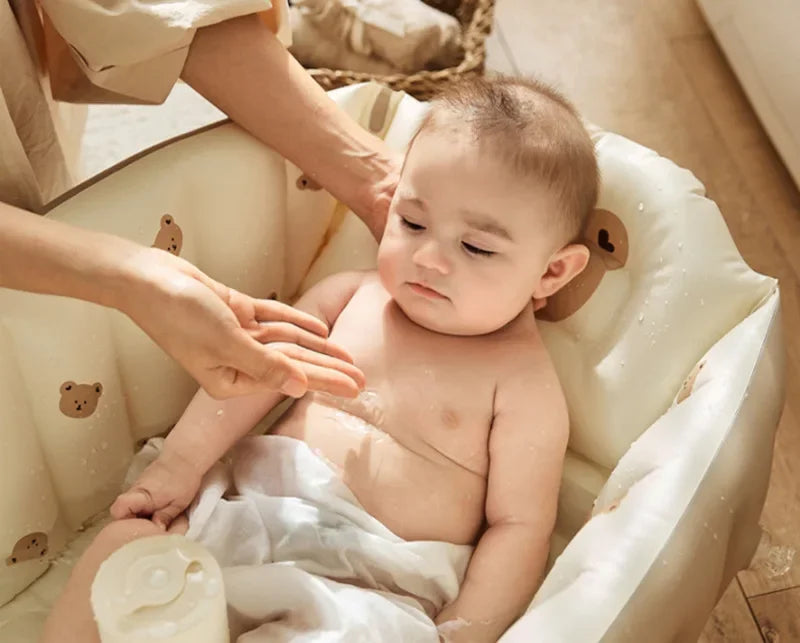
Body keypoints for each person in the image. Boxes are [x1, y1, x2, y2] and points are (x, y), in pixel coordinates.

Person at [43, 75, 598, 643]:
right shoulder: (349, 296)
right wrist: (181, 463)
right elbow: (248, 375)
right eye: (412, 222)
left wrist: (463, 630)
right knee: (123, 552)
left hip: (371, 588)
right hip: (244, 520)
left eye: (476, 247)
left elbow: (519, 527)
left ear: (553, 271)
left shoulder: (524, 386)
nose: (429, 258)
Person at [1, 1, 401, 399]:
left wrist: (375, 179)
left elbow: (151, 7)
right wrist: (135, 279)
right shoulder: (347, 297)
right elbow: (261, 385)